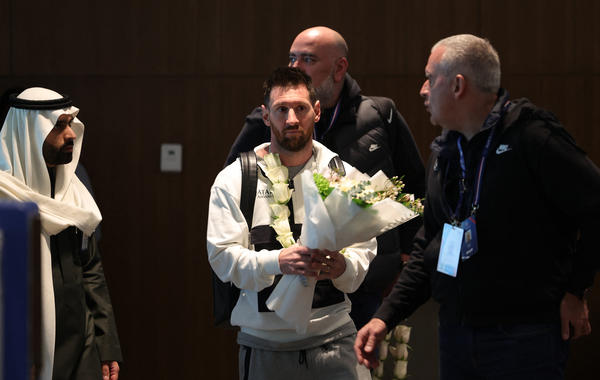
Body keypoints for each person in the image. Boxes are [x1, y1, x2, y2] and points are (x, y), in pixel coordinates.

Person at [354, 34, 600, 379]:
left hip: (524, 335)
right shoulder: (444, 153)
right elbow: (432, 245)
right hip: (456, 332)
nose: (422, 90)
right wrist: (384, 316)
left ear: (457, 85)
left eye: (429, 78)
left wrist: (576, 289)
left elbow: (595, 208)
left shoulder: (532, 136)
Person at [225, 26, 426, 329]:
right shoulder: (265, 120)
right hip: (283, 279)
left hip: (366, 278)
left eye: (307, 59)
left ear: (339, 67)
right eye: (291, 58)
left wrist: (405, 264)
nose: (294, 68)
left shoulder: (379, 115)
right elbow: (235, 184)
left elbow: (411, 188)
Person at [207, 67, 375, 379]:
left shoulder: (343, 174)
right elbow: (221, 257)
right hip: (263, 347)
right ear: (265, 116)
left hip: (336, 340)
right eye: (281, 109)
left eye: (300, 108)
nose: (292, 119)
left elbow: (365, 246)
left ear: (317, 111)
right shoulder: (234, 179)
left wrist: (344, 266)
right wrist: (278, 261)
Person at [0, 87, 122, 380]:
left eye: (70, 124)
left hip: (83, 341)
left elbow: (91, 269)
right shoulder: (4, 198)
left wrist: (106, 344)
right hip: (25, 350)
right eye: (59, 126)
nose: (71, 135)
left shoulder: (74, 192)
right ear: (31, 134)